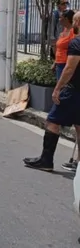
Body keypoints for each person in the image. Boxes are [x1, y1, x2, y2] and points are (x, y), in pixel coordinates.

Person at [24, 10, 80, 172]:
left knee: (52, 121)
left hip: (73, 91)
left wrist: (57, 89)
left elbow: (69, 69)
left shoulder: (76, 43)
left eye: (76, 21)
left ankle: (46, 160)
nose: (74, 24)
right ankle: (78, 164)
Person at [52, 9, 75, 82]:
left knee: (63, 87)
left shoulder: (73, 32)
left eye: (60, 17)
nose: (59, 19)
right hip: (59, 63)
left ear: (66, 19)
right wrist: (55, 63)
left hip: (66, 64)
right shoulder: (65, 30)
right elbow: (59, 49)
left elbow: (73, 51)